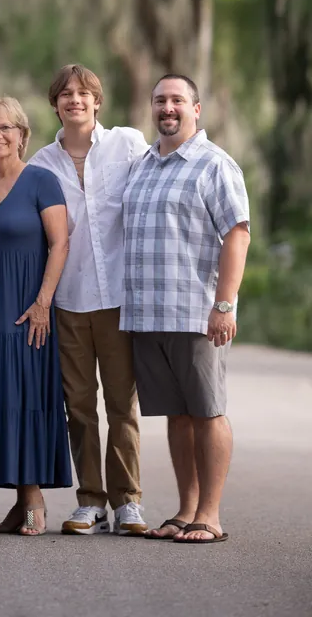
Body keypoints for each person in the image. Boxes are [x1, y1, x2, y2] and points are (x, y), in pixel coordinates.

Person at [121, 74, 251, 545]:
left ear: (197, 108)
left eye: (177, 100)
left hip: (196, 313)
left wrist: (225, 304)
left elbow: (238, 233)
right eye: (160, 100)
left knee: (208, 411)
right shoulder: (142, 165)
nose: (167, 108)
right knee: (177, 415)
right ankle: (186, 509)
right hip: (147, 314)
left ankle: (210, 515)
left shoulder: (215, 165)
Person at [29, 64, 150, 536]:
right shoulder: (41, 163)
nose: (74, 100)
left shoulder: (128, 145)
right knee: (78, 405)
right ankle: (91, 502)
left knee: (122, 402)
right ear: (55, 104)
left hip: (119, 296)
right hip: (68, 299)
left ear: (97, 101)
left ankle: (128, 502)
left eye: (83, 93)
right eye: (64, 94)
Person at [0, 96, 72, 536]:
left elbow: (61, 243)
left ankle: (34, 499)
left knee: (26, 397)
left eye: (6, 128)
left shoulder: (42, 181)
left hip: (30, 311)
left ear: (22, 135)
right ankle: (17, 503)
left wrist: (43, 302)